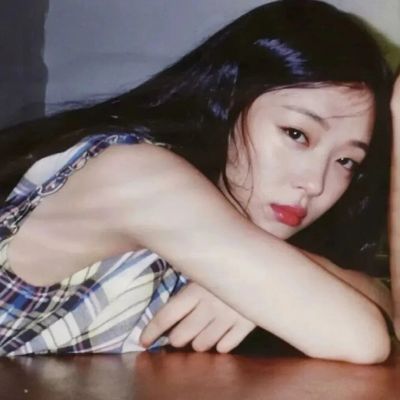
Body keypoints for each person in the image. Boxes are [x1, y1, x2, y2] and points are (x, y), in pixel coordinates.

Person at [0, 0, 394, 363]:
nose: (315, 184)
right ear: (228, 99)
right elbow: (363, 338)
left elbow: (386, 305)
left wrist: (272, 278)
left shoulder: (216, 221)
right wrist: (277, 283)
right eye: (296, 134)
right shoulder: (138, 176)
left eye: (346, 161)